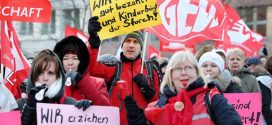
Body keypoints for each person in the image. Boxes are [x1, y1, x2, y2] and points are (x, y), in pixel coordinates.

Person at [124, 51, 242, 125]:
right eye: (178, 68)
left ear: (197, 72)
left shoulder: (212, 98)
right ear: (170, 74)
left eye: (188, 67)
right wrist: (137, 120)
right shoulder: (155, 107)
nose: (183, 72)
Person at [87, 16, 160, 125]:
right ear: (122, 45)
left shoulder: (151, 69)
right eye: (128, 41)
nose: (131, 45)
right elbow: (91, 69)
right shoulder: (113, 67)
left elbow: (159, 104)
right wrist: (93, 43)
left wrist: (148, 91)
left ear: (141, 47)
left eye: (135, 42)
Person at [16, 49, 92, 125]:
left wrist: (85, 113)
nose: (45, 78)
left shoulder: (70, 104)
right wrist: (29, 109)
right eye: (40, 73)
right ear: (33, 76)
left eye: (50, 73)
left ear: (58, 77)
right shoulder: (19, 105)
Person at [53, 36, 109, 106]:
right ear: (60, 62)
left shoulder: (98, 83)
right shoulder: (53, 83)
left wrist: (81, 82)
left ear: (81, 61)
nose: (70, 63)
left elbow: (105, 108)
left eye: (74, 58)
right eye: (65, 59)